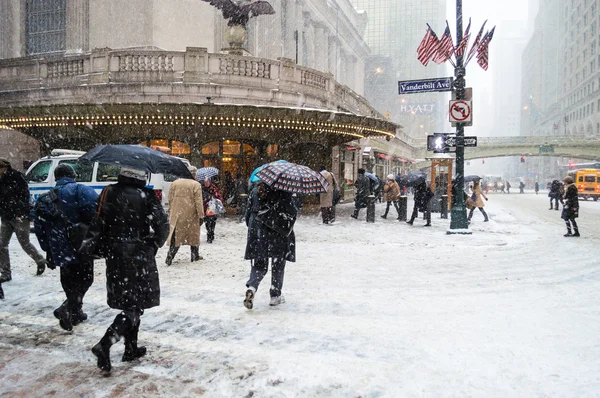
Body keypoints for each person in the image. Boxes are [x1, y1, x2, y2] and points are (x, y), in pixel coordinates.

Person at [83, 167, 169, 373]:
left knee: (130, 301)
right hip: (139, 254)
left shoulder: (108, 191)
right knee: (135, 305)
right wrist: (154, 244)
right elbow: (163, 226)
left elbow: (97, 220)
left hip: (115, 255)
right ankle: (105, 344)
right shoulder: (146, 196)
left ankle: (130, 348)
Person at [33, 164, 98, 331]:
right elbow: (95, 213)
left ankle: (75, 312)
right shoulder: (81, 190)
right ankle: (67, 308)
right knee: (86, 278)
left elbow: (39, 227)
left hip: (58, 246)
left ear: (56, 178)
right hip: (80, 243)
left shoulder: (44, 198)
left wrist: (47, 248)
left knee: (68, 279)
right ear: (73, 176)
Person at [243, 182, 297, 309]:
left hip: (258, 231)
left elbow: (248, 213)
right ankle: (275, 295)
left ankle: (252, 287)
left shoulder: (255, 191)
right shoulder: (284, 192)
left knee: (260, 264)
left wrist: (253, 227)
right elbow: (291, 212)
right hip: (277, 232)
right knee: (278, 263)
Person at [0, 157, 47, 282]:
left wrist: (19, 212)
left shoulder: (16, 177)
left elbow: (24, 196)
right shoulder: (1, 179)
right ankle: (5, 272)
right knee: (1, 245)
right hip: (6, 217)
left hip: (20, 217)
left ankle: (39, 260)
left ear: (4, 167)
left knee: (24, 243)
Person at [165, 167, 205, 265]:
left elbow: (170, 199)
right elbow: (198, 202)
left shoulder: (175, 183)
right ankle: (194, 255)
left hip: (177, 215)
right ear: (194, 174)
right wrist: (201, 215)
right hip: (190, 214)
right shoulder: (196, 185)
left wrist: (172, 209)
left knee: (176, 237)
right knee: (193, 236)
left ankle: (170, 256)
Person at [202, 177, 223, 243]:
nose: (206, 183)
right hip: (205, 208)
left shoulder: (214, 188)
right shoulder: (202, 188)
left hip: (212, 208)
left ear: (210, 182)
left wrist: (213, 198)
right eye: (205, 182)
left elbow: (218, 197)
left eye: (207, 182)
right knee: (207, 223)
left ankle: (211, 234)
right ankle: (209, 234)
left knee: (212, 222)